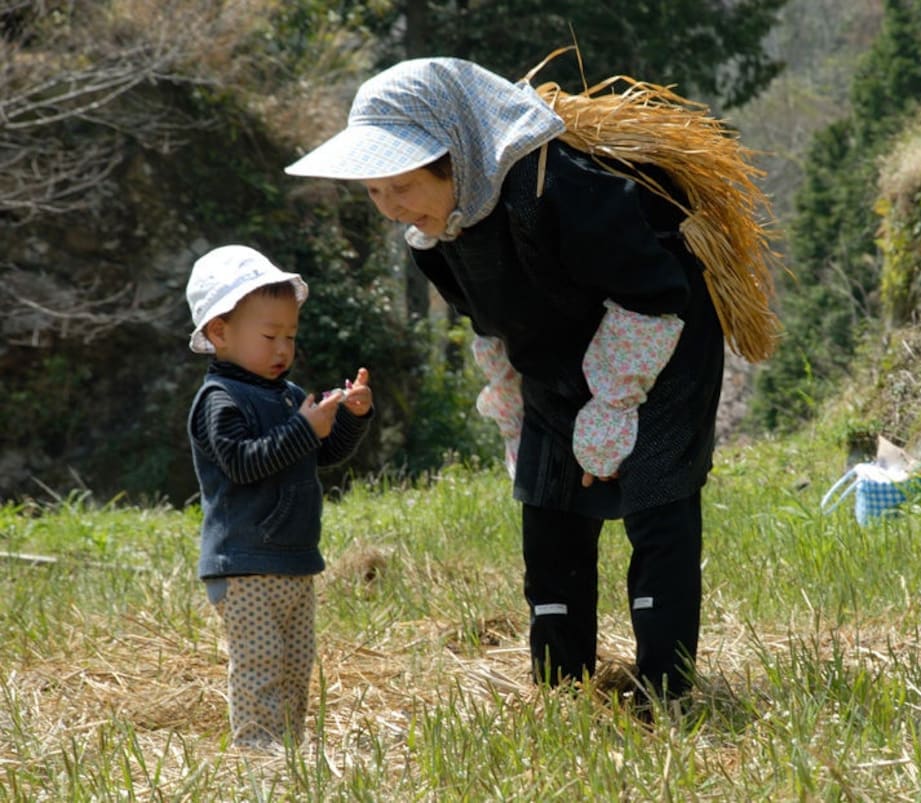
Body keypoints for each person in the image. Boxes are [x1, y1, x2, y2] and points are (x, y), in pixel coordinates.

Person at [284, 58, 727, 705]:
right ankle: (562, 689)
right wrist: (520, 413)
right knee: (549, 513)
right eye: (376, 193)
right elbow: (491, 329)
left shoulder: (553, 186)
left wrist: (614, 404)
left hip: (658, 344)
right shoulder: (432, 238)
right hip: (551, 362)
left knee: (655, 505)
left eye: (402, 186)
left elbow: (654, 294)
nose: (392, 209)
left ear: (454, 156)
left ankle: (666, 692)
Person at [185, 244, 374, 749]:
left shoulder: (288, 396)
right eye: (269, 336)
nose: (283, 349)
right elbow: (245, 462)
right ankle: (257, 749)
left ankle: (289, 743)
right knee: (260, 662)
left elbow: (322, 452)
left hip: (294, 560)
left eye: (289, 336)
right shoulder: (219, 400)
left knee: (295, 661)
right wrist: (302, 427)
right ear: (219, 333)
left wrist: (350, 418)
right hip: (243, 563)